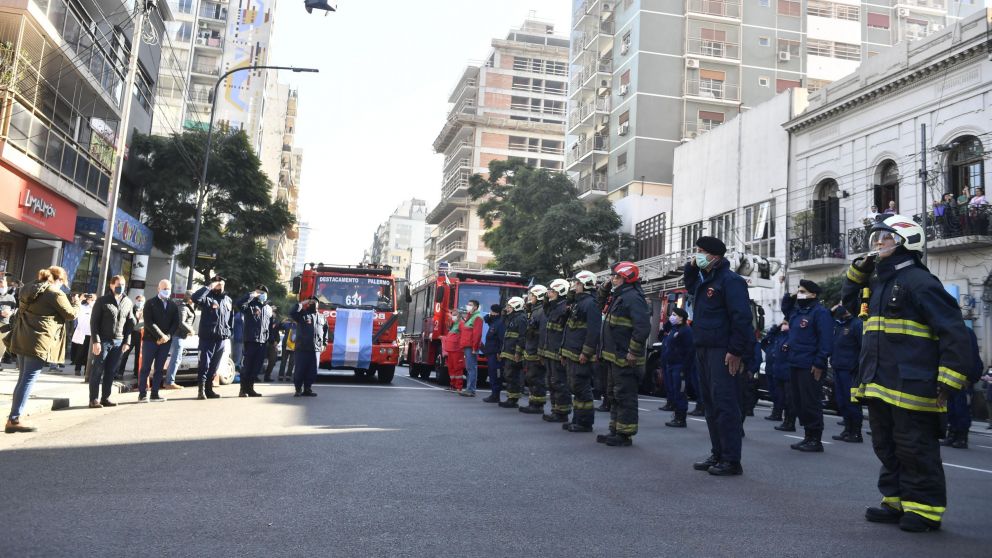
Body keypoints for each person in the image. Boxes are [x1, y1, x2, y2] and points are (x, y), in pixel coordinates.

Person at [841, 213, 977, 532]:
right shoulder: (878, 282)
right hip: (879, 380)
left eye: (884, 238)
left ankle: (926, 509)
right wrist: (856, 275)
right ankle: (896, 500)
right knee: (886, 445)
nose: (877, 243)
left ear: (906, 241)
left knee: (915, 446)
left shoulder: (920, 281)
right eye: (875, 239)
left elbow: (953, 331)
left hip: (913, 384)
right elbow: (851, 307)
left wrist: (949, 378)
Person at [685, 236, 752, 476]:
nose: (697, 256)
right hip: (703, 348)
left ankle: (732, 460)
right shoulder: (706, 280)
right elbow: (689, 284)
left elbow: (741, 319)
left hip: (722, 351)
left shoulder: (730, 281)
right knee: (710, 406)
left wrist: (735, 351)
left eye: (701, 252)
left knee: (725, 405)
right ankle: (718, 453)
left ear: (715, 256)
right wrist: (691, 267)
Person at [5, 267, 79, 433]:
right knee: (28, 379)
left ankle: (14, 416)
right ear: (59, 280)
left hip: (22, 336)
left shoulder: (27, 287)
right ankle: (14, 419)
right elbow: (70, 314)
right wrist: (76, 303)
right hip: (39, 340)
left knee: (23, 378)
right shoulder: (55, 293)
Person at [596, 262, 651, 447]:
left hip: (625, 358)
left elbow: (642, 328)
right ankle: (615, 429)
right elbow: (598, 304)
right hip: (615, 356)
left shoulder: (633, 298)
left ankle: (624, 434)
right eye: (613, 276)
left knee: (625, 395)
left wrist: (633, 352)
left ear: (627, 279)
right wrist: (604, 288)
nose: (613, 279)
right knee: (614, 394)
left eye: (617, 277)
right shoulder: (619, 296)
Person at [781, 280, 834, 453]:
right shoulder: (797, 312)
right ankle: (807, 436)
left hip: (810, 365)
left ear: (813, 294)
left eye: (803, 291)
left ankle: (815, 439)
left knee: (810, 402)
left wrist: (819, 363)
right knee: (799, 402)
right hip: (795, 362)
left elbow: (825, 341)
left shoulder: (820, 313)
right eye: (798, 291)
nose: (799, 294)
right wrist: (790, 296)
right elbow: (786, 308)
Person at [559, 270, 601, 432]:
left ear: (584, 284)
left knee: (582, 388)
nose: (574, 286)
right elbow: (569, 330)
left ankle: (584, 422)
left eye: (577, 283)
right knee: (575, 388)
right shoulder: (578, 302)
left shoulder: (591, 303)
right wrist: (563, 351)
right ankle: (577, 419)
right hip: (572, 352)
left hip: (580, 354)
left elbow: (593, 331)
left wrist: (586, 352)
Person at [88, 275, 135, 408]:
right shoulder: (102, 301)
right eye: (118, 284)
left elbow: (130, 324)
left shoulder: (128, 302)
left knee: (111, 371)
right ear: (111, 285)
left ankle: (106, 398)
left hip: (119, 342)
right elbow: (94, 322)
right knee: (97, 370)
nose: (121, 287)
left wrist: (127, 341)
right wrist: (96, 341)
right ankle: (93, 399)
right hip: (103, 341)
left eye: (123, 284)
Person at [191, 276, 234, 400]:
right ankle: (201, 391)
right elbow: (195, 298)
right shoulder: (207, 297)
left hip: (221, 338)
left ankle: (209, 390)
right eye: (217, 283)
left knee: (214, 366)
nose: (219, 285)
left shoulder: (228, 300)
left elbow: (230, 319)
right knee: (204, 364)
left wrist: (228, 332)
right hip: (207, 337)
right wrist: (210, 286)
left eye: (221, 283)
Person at [137, 280, 179, 402]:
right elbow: (149, 322)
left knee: (159, 369)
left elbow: (175, 323)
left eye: (169, 288)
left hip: (165, 343)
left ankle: (155, 393)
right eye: (164, 288)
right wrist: (160, 336)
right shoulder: (150, 303)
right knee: (145, 368)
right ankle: (142, 393)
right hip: (150, 341)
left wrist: (168, 336)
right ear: (158, 289)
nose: (167, 290)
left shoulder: (173, 305)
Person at [941, 327, 982, 449]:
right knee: (951, 408)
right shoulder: (951, 331)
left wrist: (970, 378)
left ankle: (962, 437)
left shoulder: (966, 332)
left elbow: (973, 357)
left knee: (961, 408)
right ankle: (952, 433)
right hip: (950, 377)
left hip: (963, 379)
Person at [830, 305, 863, 443]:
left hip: (850, 370)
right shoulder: (839, 325)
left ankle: (856, 432)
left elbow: (863, 347)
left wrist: (857, 367)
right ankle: (847, 429)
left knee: (852, 402)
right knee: (841, 401)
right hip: (838, 368)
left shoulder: (857, 324)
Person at [540, 279, 571, 422]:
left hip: (557, 351)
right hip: (550, 351)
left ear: (560, 292)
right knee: (552, 382)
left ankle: (562, 412)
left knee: (559, 382)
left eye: (551, 291)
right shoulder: (553, 307)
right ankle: (555, 409)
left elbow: (565, 332)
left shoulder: (564, 308)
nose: (548, 294)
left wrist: (562, 352)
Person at [236, 284, 274, 397]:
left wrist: (271, 340)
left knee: (257, 367)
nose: (262, 295)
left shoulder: (268, 308)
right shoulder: (250, 305)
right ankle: (243, 389)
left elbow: (270, 325)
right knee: (247, 366)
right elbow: (238, 304)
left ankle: (250, 388)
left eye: (263, 293)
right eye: (259, 293)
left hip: (263, 342)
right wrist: (251, 295)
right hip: (251, 340)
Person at [290, 296, 329, 397]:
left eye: (314, 302)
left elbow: (325, 331)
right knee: (300, 370)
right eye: (310, 302)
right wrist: (303, 302)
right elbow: (292, 312)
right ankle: (298, 389)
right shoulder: (302, 314)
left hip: (315, 348)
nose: (312, 303)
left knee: (312, 370)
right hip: (302, 348)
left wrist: (324, 343)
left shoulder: (322, 317)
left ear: (318, 304)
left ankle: (308, 388)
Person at [663, 308, 694, 428]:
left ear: (681, 318)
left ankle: (681, 418)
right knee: (675, 391)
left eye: (674, 315)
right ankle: (676, 416)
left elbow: (690, 351)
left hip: (680, 366)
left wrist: (684, 369)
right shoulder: (674, 328)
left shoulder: (686, 331)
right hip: (671, 364)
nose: (672, 316)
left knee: (680, 392)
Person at [519, 286, 548, 412]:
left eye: (532, 295)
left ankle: (537, 405)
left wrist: (541, 351)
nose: (530, 297)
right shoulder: (535, 310)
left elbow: (542, 332)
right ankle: (533, 402)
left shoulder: (541, 311)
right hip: (531, 349)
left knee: (536, 378)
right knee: (531, 378)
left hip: (536, 350)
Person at [497, 297, 527, 408]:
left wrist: (518, 352)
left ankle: (513, 400)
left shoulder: (521, 319)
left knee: (512, 376)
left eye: (509, 307)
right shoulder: (513, 318)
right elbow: (504, 321)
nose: (507, 308)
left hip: (514, 352)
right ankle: (511, 397)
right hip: (508, 351)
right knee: (508, 375)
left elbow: (522, 337)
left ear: (516, 306)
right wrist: (504, 312)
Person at [163, 294, 195, 390]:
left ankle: (169, 381)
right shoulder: (183, 307)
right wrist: (190, 330)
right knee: (176, 359)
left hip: (179, 336)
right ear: (190, 298)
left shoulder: (184, 306)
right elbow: (181, 322)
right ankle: (169, 382)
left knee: (176, 359)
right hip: (177, 336)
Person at [457, 299, 483, 397]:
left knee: (471, 368)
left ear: (475, 307)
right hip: (467, 346)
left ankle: (471, 390)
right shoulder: (470, 317)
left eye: (470, 304)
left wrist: (474, 347)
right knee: (469, 368)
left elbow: (477, 334)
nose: (468, 306)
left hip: (471, 346)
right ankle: (469, 389)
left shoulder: (477, 317)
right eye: (468, 304)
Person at [481, 304, 505, 403]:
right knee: (492, 374)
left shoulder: (500, 323)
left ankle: (496, 395)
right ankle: (494, 394)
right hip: (490, 352)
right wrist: (489, 316)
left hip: (495, 354)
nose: (489, 313)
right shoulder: (494, 322)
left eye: (491, 311)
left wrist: (499, 352)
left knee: (496, 375)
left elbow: (501, 339)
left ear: (496, 313)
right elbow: (486, 319)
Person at [117, 294, 144, 378]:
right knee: (125, 354)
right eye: (139, 300)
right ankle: (120, 372)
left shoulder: (145, 310)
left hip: (141, 336)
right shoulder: (131, 309)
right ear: (136, 300)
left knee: (138, 355)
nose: (140, 302)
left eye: (142, 301)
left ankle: (136, 373)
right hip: (131, 335)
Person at [70, 293, 94, 376]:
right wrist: (80, 299)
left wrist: (93, 301)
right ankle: (78, 369)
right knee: (80, 352)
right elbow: (76, 308)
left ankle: (87, 370)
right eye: (89, 297)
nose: (90, 298)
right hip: (82, 333)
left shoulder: (95, 307)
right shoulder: (83, 307)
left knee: (90, 354)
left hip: (92, 334)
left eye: (91, 297)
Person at [442, 309, 465, 392]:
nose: (453, 316)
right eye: (452, 314)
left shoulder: (461, 324)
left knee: (457, 368)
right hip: (451, 350)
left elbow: (464, 336)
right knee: (451, 368)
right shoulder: (454, 324)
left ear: (459, 316)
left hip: (457, 350)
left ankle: (458, 386)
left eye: (454, 314)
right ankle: (453, 385)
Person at [278, 317, 297, 382]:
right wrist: (283, 320)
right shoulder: (287, 324)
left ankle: (288, 375)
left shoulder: (299, 325)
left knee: (291, 362)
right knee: (284, 361)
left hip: (294, 345)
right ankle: (281, 375)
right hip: (286, 345)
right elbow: (280, 326)